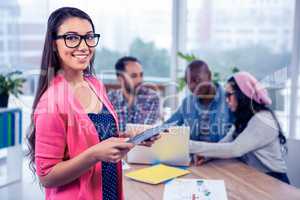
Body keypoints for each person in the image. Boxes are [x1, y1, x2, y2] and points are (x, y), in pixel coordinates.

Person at [27, 7, 157, 200]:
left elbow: (97, 140)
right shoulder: (51, 102)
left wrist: (129, 139)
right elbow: (46, 176)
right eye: (71, 38)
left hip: (108, 191)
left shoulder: (94, 84)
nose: (83, 46)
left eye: (88, 37)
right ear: (54, 44)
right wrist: (94, 155)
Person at [190, 71, 290, 184]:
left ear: (242, 94)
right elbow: (224, 143)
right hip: (255, 176)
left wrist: (188, 145)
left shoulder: (263, 120)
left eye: (229, 95)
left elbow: (234, 149)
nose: (226, 100)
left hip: (275, 181)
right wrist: (207, 156)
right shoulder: (244, 117)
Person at [166, 60, 234, 142]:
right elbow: (168, 126)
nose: (193, 86)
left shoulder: (230, 100)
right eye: (189, 82)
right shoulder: (187, 103)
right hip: (194, 153)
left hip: (222, 153)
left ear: (209, 76)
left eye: (197, 80)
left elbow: (237, 136)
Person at [108, 56, 160, 131]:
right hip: (115, 143)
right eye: (133, 76)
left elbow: (142, 133)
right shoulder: (110, 98)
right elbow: (107, 131)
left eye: (141, 75)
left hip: (140, 143)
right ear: (120, 79)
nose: (140, 80)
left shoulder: (151, 98)